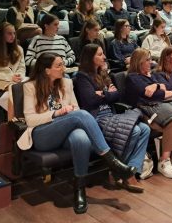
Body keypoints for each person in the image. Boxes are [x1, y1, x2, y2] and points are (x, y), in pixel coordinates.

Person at [16, 53, 136, 214]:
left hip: (67, 129)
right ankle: (112, 160)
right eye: (58, 65)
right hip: (42, 134)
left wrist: (67, 114)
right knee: (81, 116)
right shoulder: (30, 86)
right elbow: (30, 120)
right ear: (46, 70)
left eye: (62, 64)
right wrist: (57, 114)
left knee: (81, 138)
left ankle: (79, 189)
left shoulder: (66, 83)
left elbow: (76, 110)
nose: (63, 68)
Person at [75, 44, 150, 192]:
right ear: (90, 58)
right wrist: (107, 93)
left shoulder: (103, 73)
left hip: (111, 114)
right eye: (100, 54)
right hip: (96, 119)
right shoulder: (82, 77)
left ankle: (130, 169)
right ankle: (125, 175)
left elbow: (117, 95)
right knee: (134, 130)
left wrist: (102, 94)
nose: (104, 57)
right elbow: (90, 100)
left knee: (145, 128)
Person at [125, 48, 172, 178]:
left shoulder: (149, 75)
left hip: (158, 106)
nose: (150, 62)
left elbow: (162, 89)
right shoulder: (132, 77)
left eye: (150, 59)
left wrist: (157, 86)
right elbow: (150, 95)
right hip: (144, 111)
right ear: (139, 62)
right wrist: (160, 89)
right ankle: (164, 161)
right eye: (147, 60)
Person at [0, 22, 25, 93]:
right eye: (9, 33)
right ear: (1, 35)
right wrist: (11, 77)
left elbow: (22, 67)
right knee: (16, 91)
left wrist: (19, 76)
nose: (13, 36)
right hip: (1, 83)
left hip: (17, 81)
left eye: (14, 33)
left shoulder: (19, 49)